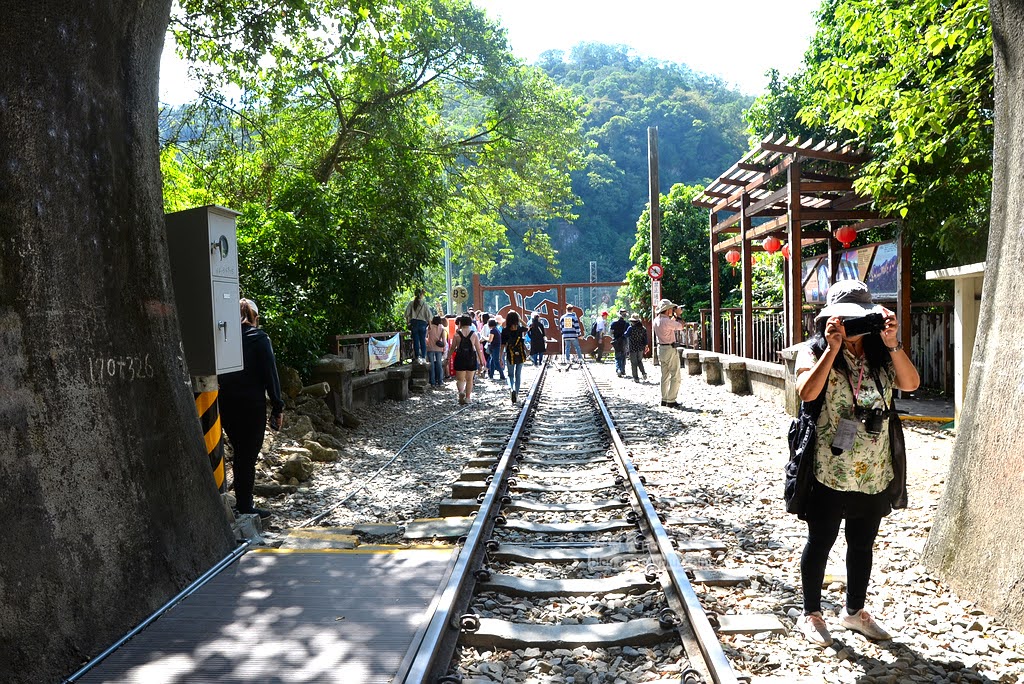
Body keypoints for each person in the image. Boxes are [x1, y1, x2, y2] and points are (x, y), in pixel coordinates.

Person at [793, 279, 920, 647]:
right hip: (828, 467)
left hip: (874, 468)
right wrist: (831, 351)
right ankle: (812, 613)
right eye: (842, 319)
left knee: (862, 543)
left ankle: (853, 611)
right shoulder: (812, 349)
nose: (851, 328)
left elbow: (910, 384)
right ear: (829, 319)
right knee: (820, 540)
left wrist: (892, 343)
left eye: (858, 319)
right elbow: (807, 393)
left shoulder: (881, 352)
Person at [218, 298, 284, 520]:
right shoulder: (259, 338)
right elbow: (270, 375)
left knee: (239, 452)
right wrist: (278, 407)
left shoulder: (224, 338)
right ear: (255, 317)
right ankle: (245, 505)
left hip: (225, 404)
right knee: (247, 456)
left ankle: (240, 501)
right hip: (252, 406)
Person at [446, 315, 487, 405]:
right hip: (471, 358)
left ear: (460, 323)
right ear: (470, 323)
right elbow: (478, 349)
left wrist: (447, 358)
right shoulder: (474, 334)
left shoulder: (457, 334)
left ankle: (461, 392)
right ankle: (468, 397)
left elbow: (452, 348)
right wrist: (481, 362)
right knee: (469, 380)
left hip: (460, 357)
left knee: (460, 379)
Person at [652, 298, 685, 408]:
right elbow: (681, 326)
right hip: (670, 349)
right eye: (670, 309)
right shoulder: (667, 321)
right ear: (667, 310)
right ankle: (671, 400)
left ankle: (664, 398)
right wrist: (679, 315)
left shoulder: (656, 320)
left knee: (664, 375)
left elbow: (670, 323)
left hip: (660, 349)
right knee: (675, 375)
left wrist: (674, 315)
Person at [501, 311, 529, 404]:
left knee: (510, 375)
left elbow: (503, 345)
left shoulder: (504, 330)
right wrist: (520, 319)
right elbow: (528, 327)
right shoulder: (520, 329)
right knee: (518, 374)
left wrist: (500, 357)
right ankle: (516, 394)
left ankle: (511, 389)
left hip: (510, 354)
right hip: (520, 353)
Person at [404, 289, 432, 362]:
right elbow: (429, 316)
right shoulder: (424, 304)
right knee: (422, 340)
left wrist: (408, 323)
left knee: (416, 341)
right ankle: (423, 357)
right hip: (422, 323)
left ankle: (417, 357)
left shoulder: (411, 303)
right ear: (421, 295)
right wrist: (430, 326)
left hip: (414, 323)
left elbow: (406, 314)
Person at [624, 313, 648, 383]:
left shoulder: (631, 328)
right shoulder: (643, 329)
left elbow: (626, 335)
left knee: (634, 363)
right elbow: (645, 339)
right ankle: (643, 373)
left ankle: (636, 378)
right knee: (639, 361)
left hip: (633, 348)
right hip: (640, 348)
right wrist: (645, 346)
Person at [425, 315, 447, 387]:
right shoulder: (442, 328)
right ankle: (440, 381)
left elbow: (425, 337)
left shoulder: (429, 327)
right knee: (439, 364)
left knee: (432, 365)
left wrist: (427, 343)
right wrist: (443, 347)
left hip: (430, 348)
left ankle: (433, 382)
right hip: (438, 348)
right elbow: (444, 340)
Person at [609, 309, 629, 377]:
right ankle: (623, 370)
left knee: (617, 356)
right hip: (624, 341)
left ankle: (618, 369)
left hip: (616, 341)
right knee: (623, 356)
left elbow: (611, 332)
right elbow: (628, 334)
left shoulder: (614, 323)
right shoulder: (627, 324)